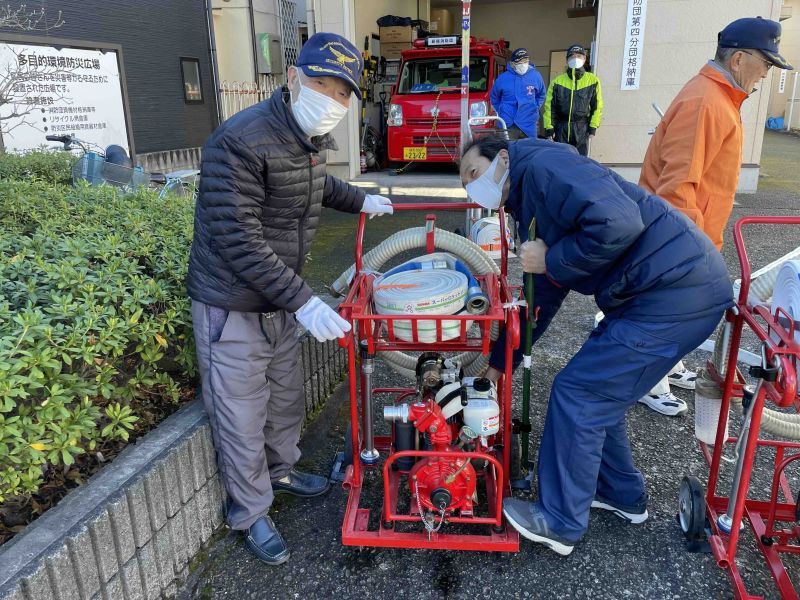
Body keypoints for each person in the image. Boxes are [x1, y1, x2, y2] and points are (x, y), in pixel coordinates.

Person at [460, 136, 732, 556]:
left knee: (579, 392)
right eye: (465, 187)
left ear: (500, 158)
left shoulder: (543, 168)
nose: (473, 189)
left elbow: (620, 223)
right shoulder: (530, 194)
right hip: (660, 292)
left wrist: (549, 259)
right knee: (601, 391)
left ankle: (560, 521)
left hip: (673, 294)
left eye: (473, 175)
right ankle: (620, 493)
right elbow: (544, 295)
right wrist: (500, 363)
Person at [187, 32, 394, 565]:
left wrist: (363, 199)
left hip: (278, 299)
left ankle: (280, 470)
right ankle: (251, 512)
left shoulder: (305, 141)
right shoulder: (240, 139)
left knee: (285, 397)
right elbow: (238, 239)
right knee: (239, 412)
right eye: (322, 84)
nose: (333, 100)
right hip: (231, 305)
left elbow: (316, 187)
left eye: (344, 93)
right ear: (293, 77)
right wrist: (304, 299)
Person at [637, 16, 793, 416]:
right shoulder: (707, 100)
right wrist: (693, 253)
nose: (766, 74)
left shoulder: (718, 98)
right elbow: (677, 187)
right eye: (766, 63)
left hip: (688, 235)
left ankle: (667, 367)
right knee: (666, 313)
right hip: (679, 239)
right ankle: (649, 381)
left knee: (676, 312)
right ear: (740, 59)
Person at [542, 44, 603, 156]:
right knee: (560, 161)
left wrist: (593, 126)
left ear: (584, 59)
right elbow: (550, 107)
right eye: (572, 56)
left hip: (581, 128)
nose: (575, 59)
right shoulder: (557, 81)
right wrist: (549, 128)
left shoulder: (593, 81)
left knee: (580, 163)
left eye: (579, 56)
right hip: (561, 129)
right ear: (567, 60)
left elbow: (597, 106)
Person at [489, 48, 546, 140]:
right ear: (512, 63)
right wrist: (501, 110)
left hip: (528, 123)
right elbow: (494, 97)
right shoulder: (503, 78)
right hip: (507, 124)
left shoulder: (535, 76)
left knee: (529, 151)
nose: (523, 64)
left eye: (525, 61)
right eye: (520, 62)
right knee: (508, 151)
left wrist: (535, 107)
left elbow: (541, 95)